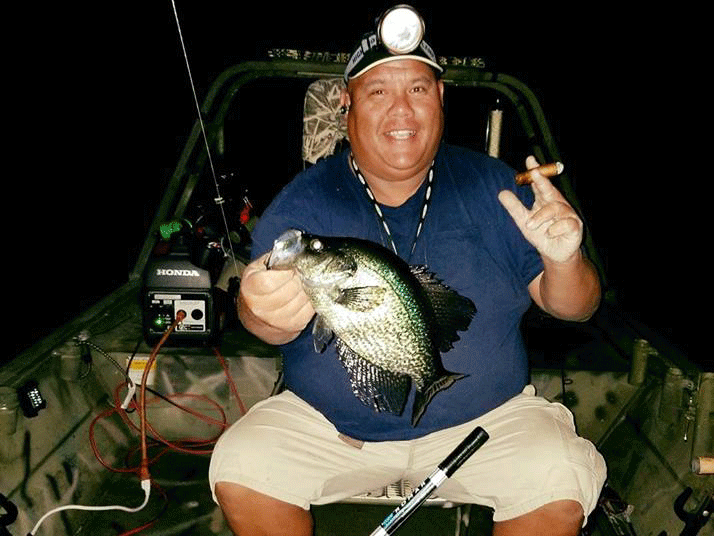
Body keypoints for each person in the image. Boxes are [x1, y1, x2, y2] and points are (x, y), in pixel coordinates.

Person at [209, 8, 606, 536]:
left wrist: (564, 257)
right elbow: (267, 318)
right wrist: (257, 310)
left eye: (418, 89)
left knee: (561, 472)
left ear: (440, 99)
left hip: (487, 425)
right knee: (242, 464)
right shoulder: (304, 201)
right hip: (333, 432)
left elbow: (577, 307)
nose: (402, 110)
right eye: (378, 93)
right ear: (347, 105)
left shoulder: (498, 186)